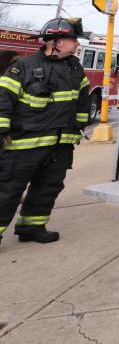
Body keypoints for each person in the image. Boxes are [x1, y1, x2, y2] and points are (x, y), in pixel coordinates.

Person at [0, 17, 91, 247]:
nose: (77, 44)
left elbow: (83, 98)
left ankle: (32, 227)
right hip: (24, 145)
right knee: (8, 191)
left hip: (59, 146)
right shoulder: (23, 67)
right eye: (73, 40)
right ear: (57, 41)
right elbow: (3, 99)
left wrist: (79, 126)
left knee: (48, 187)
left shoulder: (74, 67)